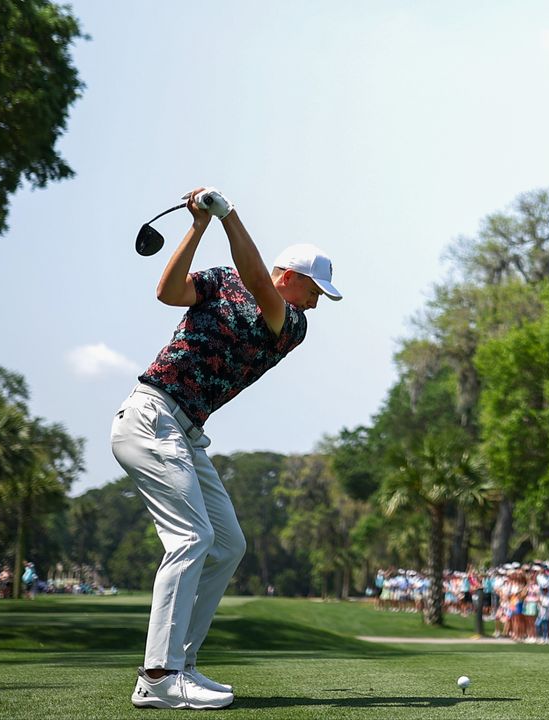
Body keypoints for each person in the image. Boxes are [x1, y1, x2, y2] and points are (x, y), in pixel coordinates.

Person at [111, 186, 341, 710]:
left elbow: (261, 285)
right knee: (192, 537)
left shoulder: (291, 324)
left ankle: (181, 663)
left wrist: (229, 217)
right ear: (293, 275)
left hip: (185, 430)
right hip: (151, 414)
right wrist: (199, 226)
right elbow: (168, 291)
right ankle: (158, 675)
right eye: (315, 290)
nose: (317, 302)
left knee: (228, 543)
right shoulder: (219, 280)